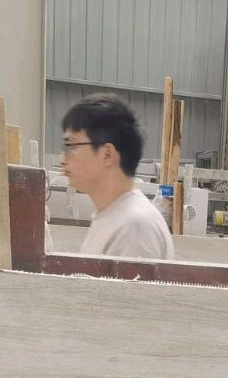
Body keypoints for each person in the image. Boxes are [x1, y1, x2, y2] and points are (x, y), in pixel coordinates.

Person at [59, 93, 175, 260]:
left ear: (107, 154)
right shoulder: (113, 217)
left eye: (72, 146)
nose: (63, 159)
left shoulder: (134, 228)